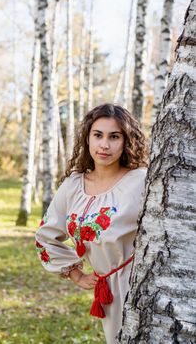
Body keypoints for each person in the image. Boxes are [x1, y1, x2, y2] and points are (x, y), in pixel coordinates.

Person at [35, 103, 148, 344]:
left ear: (126, 141)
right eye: (98, 135)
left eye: (114, 137)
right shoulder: (74, 184)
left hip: (144, 285)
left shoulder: (142, 180)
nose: (104, 145)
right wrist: (75, 274)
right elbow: (45, 235)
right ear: (87, 138)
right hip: (107, 291)